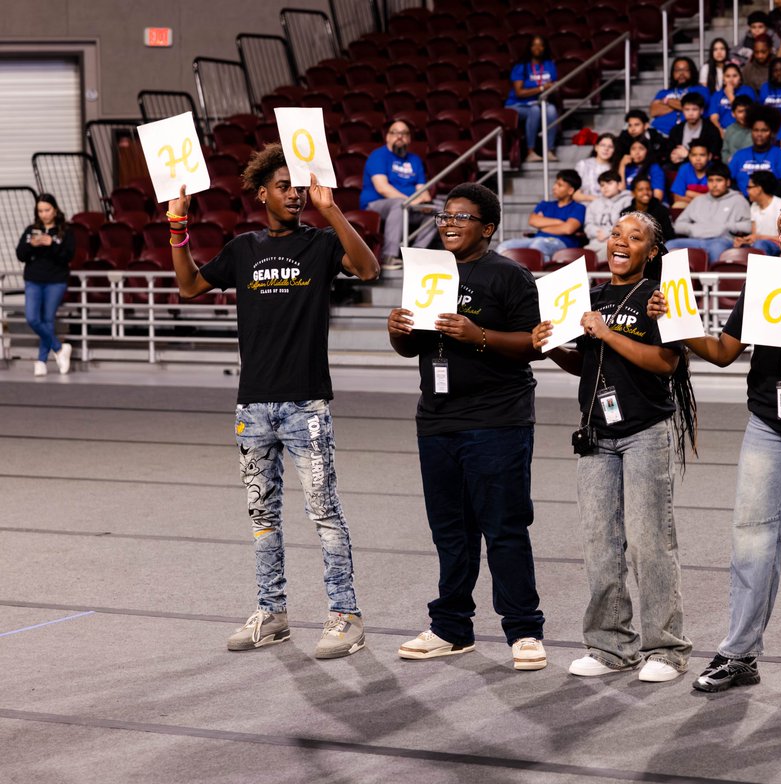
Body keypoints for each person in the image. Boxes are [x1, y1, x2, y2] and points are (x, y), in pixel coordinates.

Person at [167, 144, 380, 658]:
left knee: (324, 514)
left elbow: (368, 269)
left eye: (298, 187)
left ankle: (345, 616)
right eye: (284, 186)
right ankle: (273, 612)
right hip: (253, 407)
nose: (295, 194)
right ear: (262, 193)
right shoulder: (244, 249)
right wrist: (178, 227)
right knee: (262, 517)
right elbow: (191, 285)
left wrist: (331, 209)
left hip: (306, 405)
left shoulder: (322, 243)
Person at [647, 186, 781, 699]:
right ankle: (740, 654)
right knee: (750, 544)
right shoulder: (765, 275)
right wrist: (675, 323)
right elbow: (722, 351)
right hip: (766, 420)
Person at [386, 183, 547, 671]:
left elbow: (535, 344)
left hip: (497, 419)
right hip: (437, 418)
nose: (449, 223)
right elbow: (413, 348)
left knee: (503, 528)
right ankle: (451, 628)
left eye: (462, 217)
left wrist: (479, 336)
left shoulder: (510, 276)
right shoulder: (428, 272)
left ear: (489, 227)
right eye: (444, 216)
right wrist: (398, 332)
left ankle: (523, 630)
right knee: (450, 532)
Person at [532, 212, 697, 682]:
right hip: (596, 435)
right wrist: (552, 347)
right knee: (600, 543)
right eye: (616, 233)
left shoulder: (657, 298)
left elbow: (667, 363)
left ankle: (666, 648)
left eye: (635, 236)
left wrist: (607, 332)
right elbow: (584, 364)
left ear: (652, 251)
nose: (621, 241)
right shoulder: (591, 296)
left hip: (645, 431)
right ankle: (610, 646)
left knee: (650, 542)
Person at [15, 193, 75, 376]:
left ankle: (41, 361)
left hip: (55, 281)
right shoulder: (31, 230)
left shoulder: (65, 231)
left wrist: (51, 244)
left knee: (47, 320)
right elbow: (20, 255)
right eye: (40, 211)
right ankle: (59, 348)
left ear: (55, 210)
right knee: (32, 318)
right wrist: (32, 244)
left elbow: (68, 256)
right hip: (33, 279)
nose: (44, 214)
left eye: (47, 210)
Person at [360, 118, 436, 255]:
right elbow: (382, 188)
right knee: (399, 204)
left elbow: (423, 190)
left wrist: (425, 202)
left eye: (404, 133)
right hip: (376, 205)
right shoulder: (378, 156)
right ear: (388, 137)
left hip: (408, 206)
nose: (400, 136)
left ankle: (417, 252)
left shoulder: (415, 160)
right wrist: (410, 201)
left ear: (409, 139)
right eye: (395, 133)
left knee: (437, 210)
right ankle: (390, 255)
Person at [665, 162, 753, 264]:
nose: (714, 185)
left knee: (717, 248)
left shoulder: (739, 200)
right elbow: (678, 225)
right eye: (710, 181)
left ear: (728, 182)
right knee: (670, 245)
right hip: (696, 240)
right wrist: (693, 229)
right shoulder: (699, 200)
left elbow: (748, 226)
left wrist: (726, 227)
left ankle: (715, 280)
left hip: (721, 240)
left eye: (719, 180)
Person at [498, 169, 586, 259]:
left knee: (537, 247)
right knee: (504, 247)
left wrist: (542, 226)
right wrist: (560, 222)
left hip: (562, 243)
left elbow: (568, 229)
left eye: (560, 185)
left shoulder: (578, 208)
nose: (554, 187)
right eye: (555, 183)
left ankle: (539, 272)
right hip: (535, 240)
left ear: (570, 191)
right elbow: (532, 221)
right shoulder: (544, 204)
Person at [507, 35, 560, 162]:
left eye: (540, 45)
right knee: (534, 110)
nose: (537, 48)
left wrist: (553, 88)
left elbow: (554, 85)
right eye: (534, 45)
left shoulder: (549, 65)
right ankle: (531, 151)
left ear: (544, 48)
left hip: (541, 103)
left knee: (552, 109)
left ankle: (549, 150)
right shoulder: (521, 66)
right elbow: (519, 92)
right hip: (518, 105)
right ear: (529, 48)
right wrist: (542, 88)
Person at [729, 107, 781, 195]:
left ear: (772, 132)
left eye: (764, 130)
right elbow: (729, 181)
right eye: (756, 130)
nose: (759, 134)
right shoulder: (739, 155)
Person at [651, 57, 707, 135]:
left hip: (686, 134)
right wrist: (678, 105)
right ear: (673, 73)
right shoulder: (663, 92)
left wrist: (667, 101)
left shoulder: (701, 90)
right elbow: (654, 111)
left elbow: (694, 107)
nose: (681, 73)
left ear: (692, 72)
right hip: (658, 131)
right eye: (677, 70)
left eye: (685, 70)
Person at [736, 170, 781, 255]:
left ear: (759, 189)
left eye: (749, 187)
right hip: (759, 244)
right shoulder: (754, 206)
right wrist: (745, 240)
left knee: (760, 244)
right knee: (738, 247)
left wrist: (760, 237)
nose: (747, 191)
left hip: (778, 245)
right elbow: (754, 235)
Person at [585, 170, 633, 254]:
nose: (605, 187)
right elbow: (588, 225)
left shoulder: (628, 201)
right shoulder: (594, 204)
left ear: (619, 185)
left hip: (618, 242)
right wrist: (597, 233)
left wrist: (607, 233)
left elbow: (627, 225)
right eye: (602, 185)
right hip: (595, 242)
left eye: (609, 183)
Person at [621, 175, 676, 243]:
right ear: (633, 193)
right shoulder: (626, 213)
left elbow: (670, 236)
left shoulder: (662, 210)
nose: (646, 193)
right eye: (640, 190)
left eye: (648, 189)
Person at [708, 63, 757, 129]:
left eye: (735, 76)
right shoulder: (717, 95)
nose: (731, 79)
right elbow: (714, 118)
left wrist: (730, 95)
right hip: (722, 130)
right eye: (727, 76)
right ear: (723, 80)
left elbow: (747, 113)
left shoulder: (748, 91)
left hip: (744, 129)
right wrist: (720, 131)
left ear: (740, 79)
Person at [574, 132, 616, 203]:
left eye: (610, 146)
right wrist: (594, 199)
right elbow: (574, 194)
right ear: (596, 147)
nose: (606, 149)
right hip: (585, 206)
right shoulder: (583, 165)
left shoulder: (615, 168)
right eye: (603, 145)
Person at [670, 142, 713, 208]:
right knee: (677, 205)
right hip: (690, 205)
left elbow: (715, 199)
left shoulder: (715, 169)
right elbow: (677, 198)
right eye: (694, 155)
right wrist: (703, 198)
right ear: (689, 156)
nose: (698, 159)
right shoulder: (684, 169)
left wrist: (689, 193)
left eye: (702, 155)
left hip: (711, 207)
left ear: (709, 156)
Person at [722, 96, 757, 162]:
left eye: (747, 111)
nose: (744, 115)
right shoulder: (729, 129)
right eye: (740, 112)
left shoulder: (757, 129)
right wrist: (728, 159)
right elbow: (725, 151)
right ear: (733, 114)